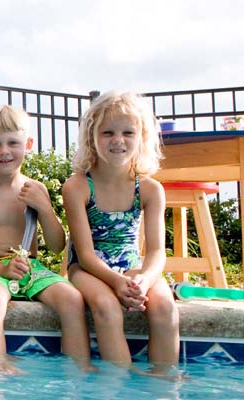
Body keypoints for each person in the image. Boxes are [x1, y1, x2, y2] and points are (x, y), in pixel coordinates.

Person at [0, 104, 91, 374]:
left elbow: (56, 247)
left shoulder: (36, 188)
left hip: (32, 269)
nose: (4, 151)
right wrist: (2, 269)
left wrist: (44, 208)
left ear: (28, 144)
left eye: (13, 143)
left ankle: (79, 367)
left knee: (72, 298)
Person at [63, 90, 179, 373]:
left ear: (142, 138)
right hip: (87, 269)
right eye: (108, 133)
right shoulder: (77, 187)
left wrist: (144, 279)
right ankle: (121, 380)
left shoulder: (150, 189)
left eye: (128, 132)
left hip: (132, 266)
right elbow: (85, 255)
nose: (118, 140)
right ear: (92, 136)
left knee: (165, 307)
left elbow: (155, 252)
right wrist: (115, 282)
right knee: (106, 307)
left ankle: (163, 381)